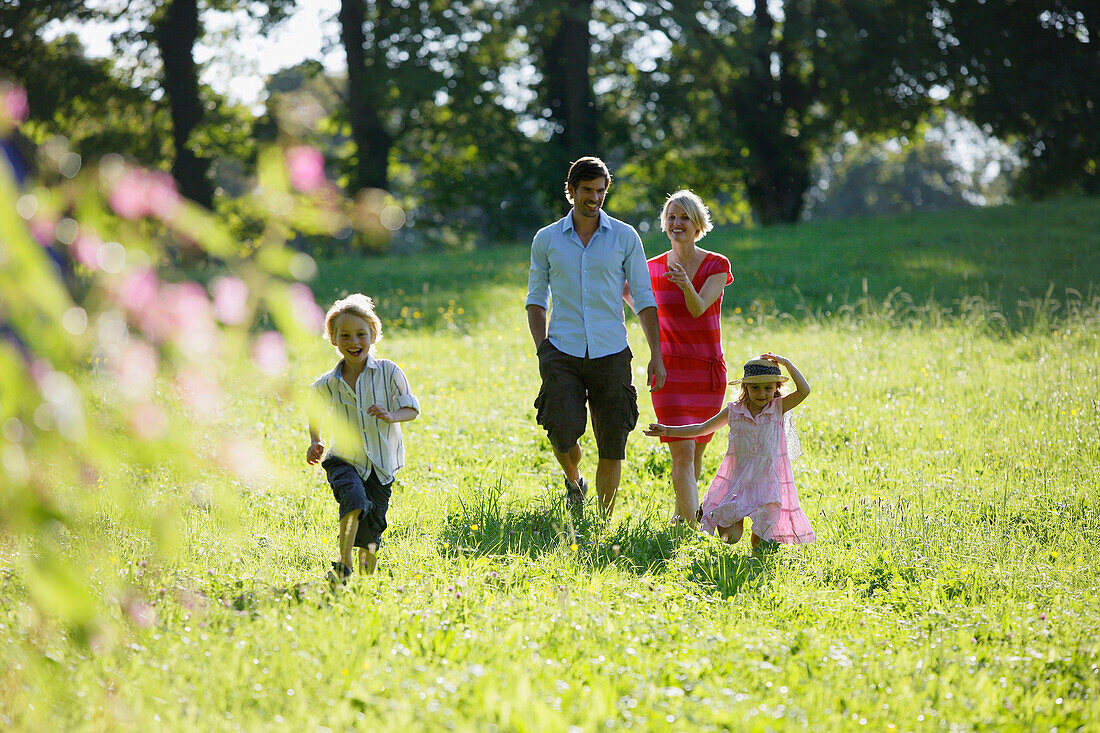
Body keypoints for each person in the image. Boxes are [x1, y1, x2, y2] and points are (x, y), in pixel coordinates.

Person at [526, 156, 666, 516]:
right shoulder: (547, 239)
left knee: (612, 442)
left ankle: (601, 522)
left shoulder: (624, 236)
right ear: (570, 191)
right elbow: (536, 299)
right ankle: (574, 481)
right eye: (587, 190)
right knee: (561, 431)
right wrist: (542, 348)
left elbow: (644, 298)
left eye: (600, 190)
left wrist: (657, 354)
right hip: (561, 349)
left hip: (612, 351)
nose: (594, 197)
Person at [644, 353, 815, 549]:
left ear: (777, 388)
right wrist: (668, 430)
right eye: (755, 388)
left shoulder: (777, 407)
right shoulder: (735, 410)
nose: (761, 394)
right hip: (737, 480)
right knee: (730, 537)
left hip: (767, 481)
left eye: (768, 388)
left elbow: (804, 390)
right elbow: (702, 428)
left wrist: (786, 362)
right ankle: (710, 511)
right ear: (745, 388)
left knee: (762, 538)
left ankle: (755, 561)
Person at [306, 294, 420, 584]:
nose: (353, 341)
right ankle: (343, 564)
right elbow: (314, 408)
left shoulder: (389, 372)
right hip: (345, 458)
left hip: (382, 465)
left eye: (360, 334)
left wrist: (392, 416)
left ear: (374, 334)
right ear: (333, 338)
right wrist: (315, 440)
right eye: (344, 335)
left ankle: (367, 583)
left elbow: (411, 409)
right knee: (353, 500)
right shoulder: (328, 383)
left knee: (373, 527)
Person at [647, 190, 732, 526]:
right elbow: (631, 302)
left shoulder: (717, 264)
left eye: (684, 217)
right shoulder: (650, 268)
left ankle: (682, 517)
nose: (676, 223)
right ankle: (689, 532)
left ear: (698, 225)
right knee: (682, 451)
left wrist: (684, 284)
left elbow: (699, 309)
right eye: (671, 217)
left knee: (696, 451)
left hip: (707, 372)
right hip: (668, 372)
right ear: (664, 225)